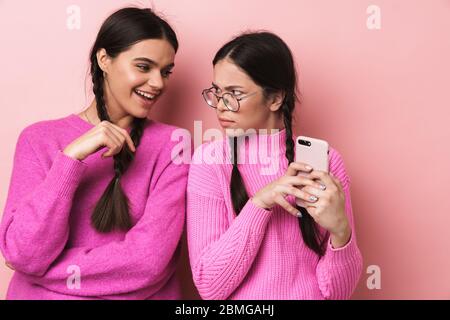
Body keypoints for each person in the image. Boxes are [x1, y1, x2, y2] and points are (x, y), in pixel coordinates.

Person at [0, 7, 188, 299]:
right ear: (104, 60)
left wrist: (40, 272)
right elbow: (23, 252)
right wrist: (70, 159)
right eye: (143, 66)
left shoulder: (174, 146)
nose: (158, 83)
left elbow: (147, 261)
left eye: (165, 72)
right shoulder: (37, 139)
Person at [187, 32, 363, 300]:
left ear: (275, 98)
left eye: (234, 94)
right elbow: (210, 287)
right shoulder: (209, 161)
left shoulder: (325, 162)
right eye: (217, 92)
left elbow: (337, 294)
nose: (221, 107)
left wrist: (341, 232)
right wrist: (260, 203)